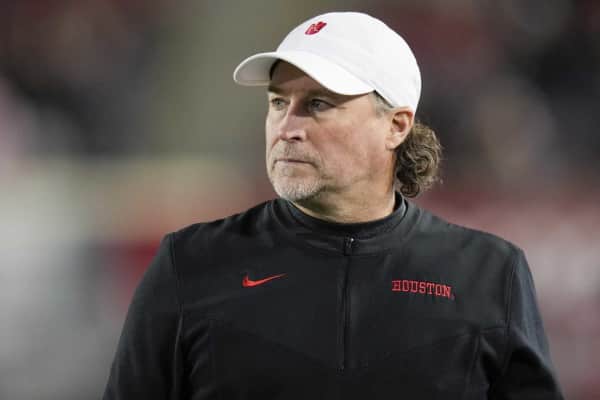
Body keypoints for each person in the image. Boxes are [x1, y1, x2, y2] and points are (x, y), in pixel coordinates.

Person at [103, 11, 564, 399]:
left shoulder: (489, 273)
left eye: (319, 104)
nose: (287, 128)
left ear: (397, 126)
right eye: (278, 102)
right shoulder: (189, 263)